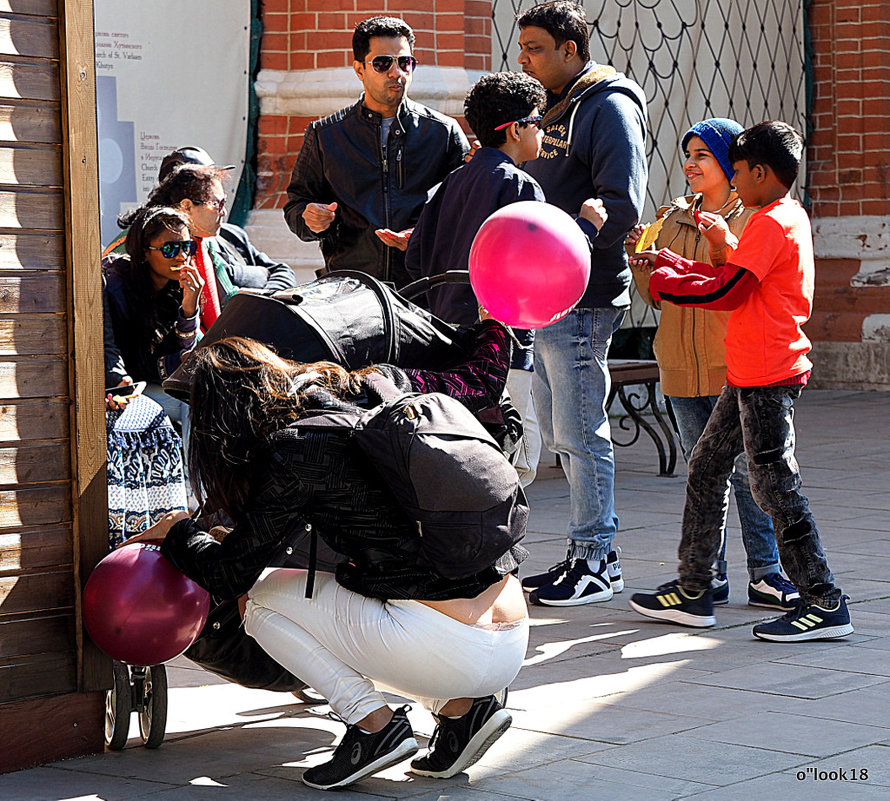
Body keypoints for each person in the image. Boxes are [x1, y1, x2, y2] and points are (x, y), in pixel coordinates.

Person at [129, 322, 529, 790]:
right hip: (510, 632)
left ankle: (373, 728)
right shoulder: (363, 393)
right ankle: (464, 711)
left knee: (258, 600)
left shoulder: (293, 450)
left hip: (456, 648)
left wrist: (179, 531)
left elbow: (229, 574)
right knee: (366, 597)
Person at [627, 121, 853, 642]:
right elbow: (734, 277)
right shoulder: (771, 217)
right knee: (706, 466)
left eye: (736, 170)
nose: (733, 178)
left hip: (768, 376)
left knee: (775, 485)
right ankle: (694, 587)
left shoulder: (773, 222)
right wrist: (678, 262)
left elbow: (729, 292)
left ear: (758, 173)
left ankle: (823, 599)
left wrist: (669, 281)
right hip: (749, 372)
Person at [405, 71, 607, 488]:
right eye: (538, 122)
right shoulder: (520, 185)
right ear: (516, 130)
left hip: (446, 344)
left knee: (463, 460)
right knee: (510, 466)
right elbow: (540, 269)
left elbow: (415, 260)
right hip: (501, 350)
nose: (544, 133)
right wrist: (585, 228)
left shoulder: (452, 182)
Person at [514, 0, 648, 605]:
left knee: (580, 427)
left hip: (583, 293)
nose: (524, 59)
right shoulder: (553, 106)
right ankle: (581, 554)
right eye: (523, 48)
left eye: (536, 48)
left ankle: (599, 560)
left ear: (571, 50)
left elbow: (621, 204)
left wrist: (569, 237)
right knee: (559, 429)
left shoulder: (610, 104)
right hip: (542, 296)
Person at [284, 16, 469, 287]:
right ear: (360, 70)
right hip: (349, 288)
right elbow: (296, 203)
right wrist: (309, 217)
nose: (396, 73)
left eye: (405, 62)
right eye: (383, 63)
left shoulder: (443, 132)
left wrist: (422, 236)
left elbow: (464, 207)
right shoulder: (326, 134)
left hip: (423, 288)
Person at [102, 148, 298, 305]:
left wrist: (268, 290)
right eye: (216, 203)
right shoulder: (141, 245)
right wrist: (261, 277)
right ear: (185, 204)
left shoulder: (222, 237)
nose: (223, 212)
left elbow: (283, 271)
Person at [103, 206, 204, 447]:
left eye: (187, 247)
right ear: (144, 252)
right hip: (117, 386)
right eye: (170, 249)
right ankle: (193, 483)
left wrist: (190, 310)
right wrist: (119, 380)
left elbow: (180, 356)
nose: (182, 257)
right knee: (191, 402)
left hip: (151, 382)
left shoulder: (178, 288)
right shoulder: (113, 283)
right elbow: (107, 346)